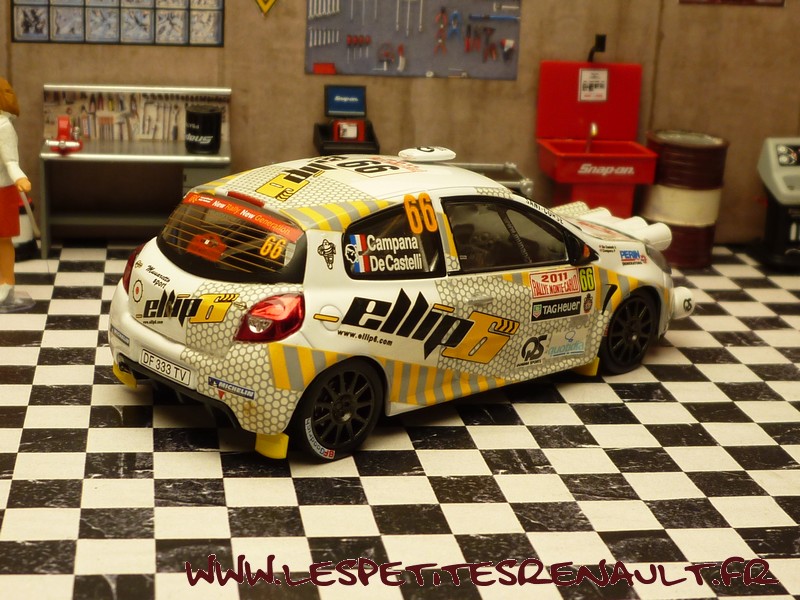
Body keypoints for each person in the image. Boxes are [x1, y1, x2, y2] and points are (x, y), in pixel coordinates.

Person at [0, 77, 31, 305]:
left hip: (2, 190)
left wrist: (19, 177)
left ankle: (6, 282)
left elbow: (11, 160)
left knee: (3, 239)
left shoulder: (3, 126)